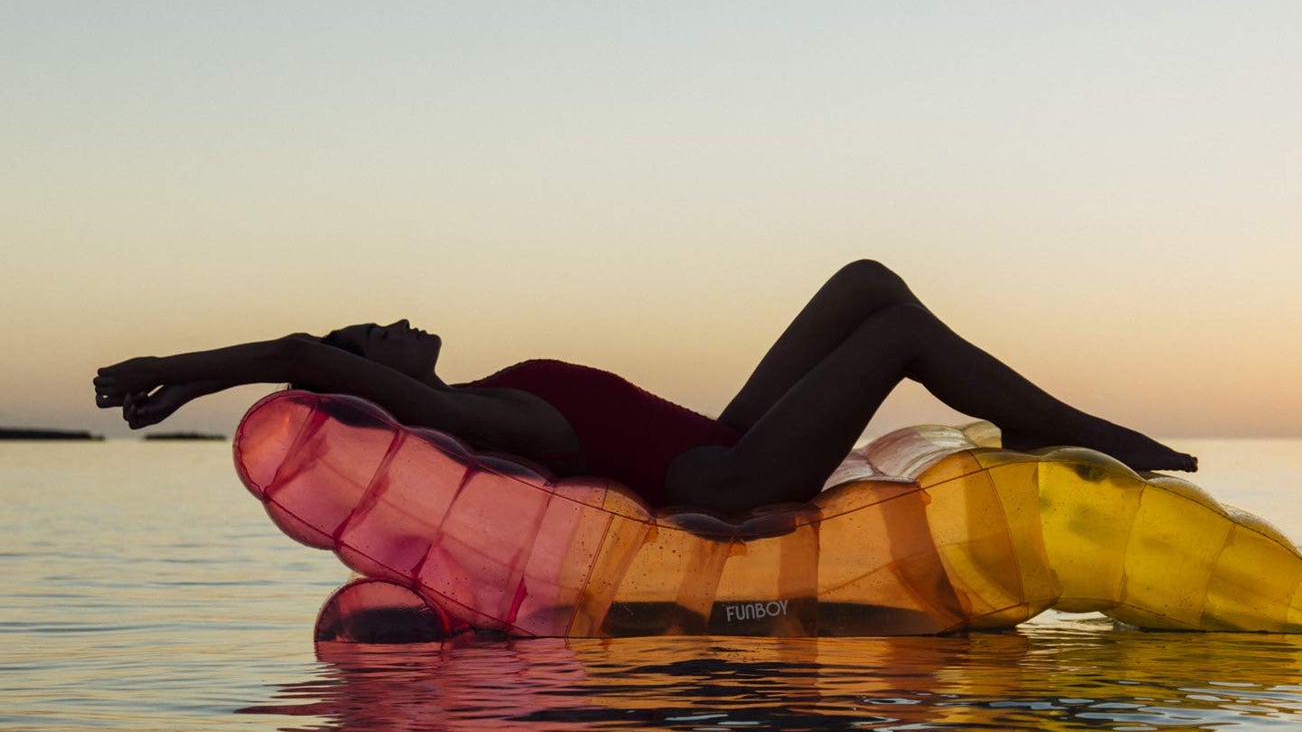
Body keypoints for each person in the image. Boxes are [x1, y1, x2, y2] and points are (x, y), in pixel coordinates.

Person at [93, 260, 1196, 514]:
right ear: (376, 373)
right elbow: (307, 352)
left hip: (720, 435)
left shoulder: (490, 386)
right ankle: (1067, 428)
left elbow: (325, 352)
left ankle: (1053, 421)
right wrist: (178, 372)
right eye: (372, 331)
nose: (392, 319)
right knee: (897, 328)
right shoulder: (478, 414)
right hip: (732, 477)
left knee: (866, 281)